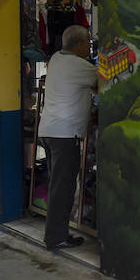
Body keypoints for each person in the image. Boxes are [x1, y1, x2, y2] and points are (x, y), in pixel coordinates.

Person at [39, 24, 98, 250]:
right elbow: (103, 84)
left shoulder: (56, 59)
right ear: (80, 44)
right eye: (88, 43)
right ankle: (55, 238)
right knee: (62, 188)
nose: (89, 47)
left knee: (58, 186)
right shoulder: (79, 65)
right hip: (64, 135)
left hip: (49, 131)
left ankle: (56, 234)